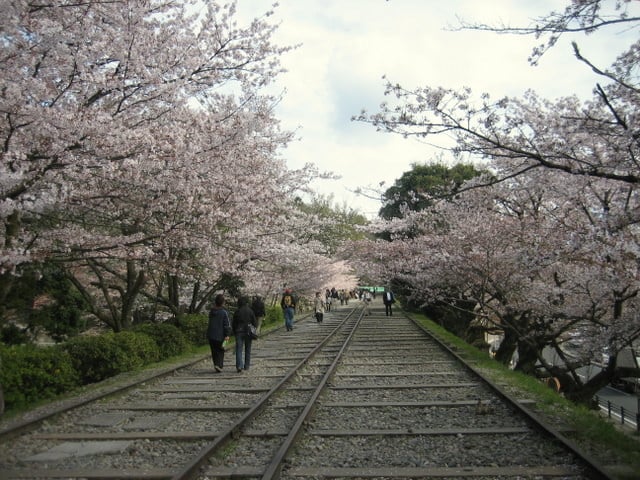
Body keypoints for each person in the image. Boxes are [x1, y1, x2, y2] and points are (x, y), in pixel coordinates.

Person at [207, 294, 231, 373]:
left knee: (214, 351)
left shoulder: (212, 311)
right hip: (221, 336)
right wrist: (227, 334)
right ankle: (219, 365)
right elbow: (227, 324)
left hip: (211, 335)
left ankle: (216, 364)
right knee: (221, 349)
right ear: (223, 302)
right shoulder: (224, 312)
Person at [233, 296, 257, 373]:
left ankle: (239, 366)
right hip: (248, 331)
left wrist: (234, 331)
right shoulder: (250, 311)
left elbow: (234, 323)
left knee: (239, 349)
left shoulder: (237, 311)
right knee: (248, 349)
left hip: (239, 331)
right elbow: (255, 323)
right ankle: (246, 366)